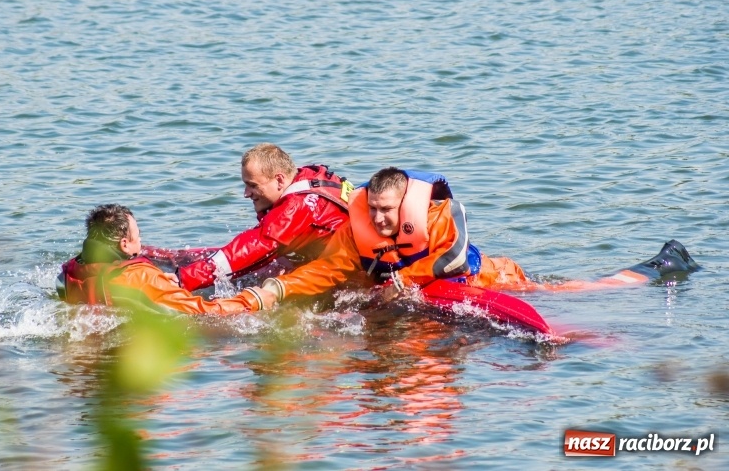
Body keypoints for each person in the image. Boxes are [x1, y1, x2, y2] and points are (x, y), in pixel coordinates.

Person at [239, 167, 701, 309]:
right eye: (373, 210)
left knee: (581, 290)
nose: (379, 220)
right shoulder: (355, 230)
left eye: (387, 211)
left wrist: (404, 283)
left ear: (405, 208)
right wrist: (272, 291)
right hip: (428, 291)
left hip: (488, 279)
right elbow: (324, 270)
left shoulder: (436, 215)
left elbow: (455, 258)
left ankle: (662, 266)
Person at [171, 143, 353, 291]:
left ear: (280, 180)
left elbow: (255, 245)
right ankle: (169, 257)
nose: (246, 194)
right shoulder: (307, 177)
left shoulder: (296, 208)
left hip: (347, 275)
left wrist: (183, 279)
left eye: (252, 185)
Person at [57, 204, 271, 314]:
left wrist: (157, 282)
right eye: (138, 235)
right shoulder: (141, 277)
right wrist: (252, 300)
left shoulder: (67, 275)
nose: (141, 240)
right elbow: (201, 312)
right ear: (124, 244)